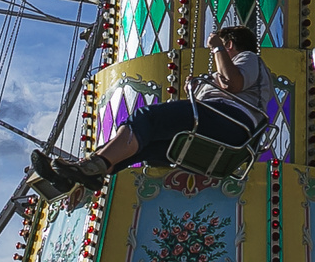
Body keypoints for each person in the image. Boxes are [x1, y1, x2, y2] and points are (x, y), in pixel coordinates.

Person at [34, 26, 275, 191]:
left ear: (230, 44)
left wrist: (216, 48)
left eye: (224, 46)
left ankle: (92, 166)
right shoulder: (225, 74)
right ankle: (77, 177)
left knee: (145, 117)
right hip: (227, 132)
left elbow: (234, 83)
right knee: (146, 145)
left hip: (230, 122)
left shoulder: (248, 58)